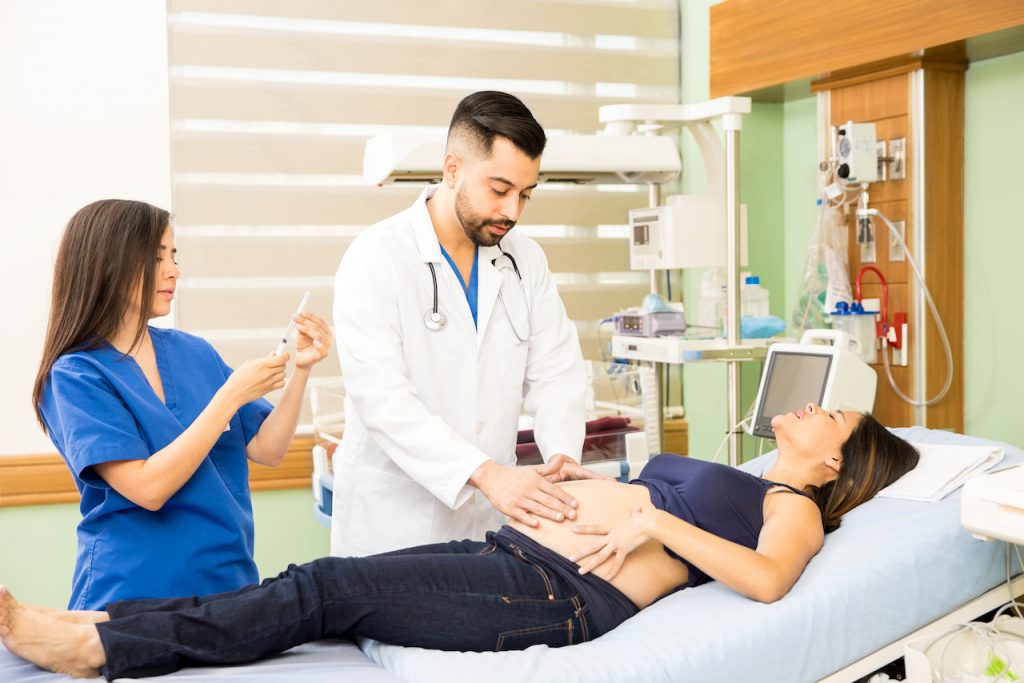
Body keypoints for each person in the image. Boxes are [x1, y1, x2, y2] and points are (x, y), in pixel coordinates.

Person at [0, 405, 918, 680]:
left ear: (838, 457)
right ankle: (101, 621)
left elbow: (764, 581)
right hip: (514, 557)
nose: (809, 405)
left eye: (830, 412)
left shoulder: (793, 504)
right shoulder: (751, 477)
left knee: (321, 588)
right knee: (310, 580)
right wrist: (587, 484)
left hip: (558, 599)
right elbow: (647, 503)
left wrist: (649, 517)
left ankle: (96, 644)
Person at [31, 199, 334, 611]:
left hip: (227, 590)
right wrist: (229, 397)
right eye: (156, 257)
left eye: (174, 256)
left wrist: (300, 371)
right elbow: (148, 489)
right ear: (108, 263)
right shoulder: (76, 375)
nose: (174, 270)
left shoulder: (194, 353)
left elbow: (269, 449)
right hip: (130, 598)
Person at [331, 90, 598, 556]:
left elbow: (557, 374)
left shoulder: (525, 261)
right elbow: (382, 400)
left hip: (491, 523)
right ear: (452, 169)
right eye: (499, 190)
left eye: (526, 194)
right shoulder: (377, 257)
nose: (512, 212)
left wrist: (561, 458)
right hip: (396, 524)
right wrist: (486, 473)